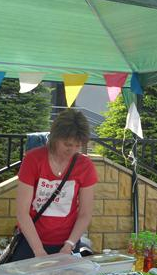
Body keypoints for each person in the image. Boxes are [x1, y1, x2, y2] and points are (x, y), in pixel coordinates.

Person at [10, 109, 97, 261]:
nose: (72, 150)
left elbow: (85, 213)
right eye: (67, 144)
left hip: (67, 243)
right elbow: (22, 212)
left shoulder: (85, 165)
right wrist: (38, 250)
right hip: (31, 241)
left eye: (77, 145)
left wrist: (69, 245)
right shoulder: (33, 159)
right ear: (55, 137)